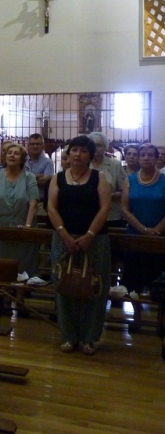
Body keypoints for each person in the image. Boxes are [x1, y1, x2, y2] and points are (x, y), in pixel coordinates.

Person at [47, 135, 111, 356]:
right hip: (64, 240)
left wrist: (90, 235)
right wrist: (64, 234)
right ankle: (69, 336)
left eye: (83, 151)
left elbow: (105, 208)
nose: (78, 154)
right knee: (64, 285)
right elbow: (51, 208)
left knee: (94, 287)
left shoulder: (98, 177)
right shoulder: (58, 178)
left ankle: (90, 338)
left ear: (90, 155)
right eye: (74, 150)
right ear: (68, 153)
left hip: (95, 241)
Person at [0, 143, 40, 277]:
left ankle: (19, 295)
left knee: (22, 269)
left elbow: (33, 203)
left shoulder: (29, 177)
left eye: (16, 153)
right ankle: (0, 295)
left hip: (22, 231)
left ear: (22, 159)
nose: (12, 155)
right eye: (9, 153)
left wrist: (27, 225)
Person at [120, 143, 165, 294]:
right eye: (143, 155)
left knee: (158, 280)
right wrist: (143, 229)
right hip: (135, 235)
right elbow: (125, 209)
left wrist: (156, 231)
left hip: (159, 237)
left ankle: (157, 315)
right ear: (138, 159)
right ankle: (137, 314)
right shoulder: (130, 180)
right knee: (133, 281)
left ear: (157, 159)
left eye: (150, 155)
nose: (146, 158)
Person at [88, 132, 127, 227]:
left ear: (105, 147)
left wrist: (110, 196)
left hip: (111, 214)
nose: (96, 148)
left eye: (99, 145)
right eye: (93, 145)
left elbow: (125, 191)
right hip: (88, 214)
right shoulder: (84, 164)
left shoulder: (115, 165)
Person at [25, 133, 55, 206]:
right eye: (32, 144)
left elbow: (45, 181)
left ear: (43, 146)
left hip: (40, 202)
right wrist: (37, 176)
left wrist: (25, 178)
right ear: (28, 146)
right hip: (22, 201)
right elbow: (16, 179)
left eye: (38, 144)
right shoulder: (22, 161)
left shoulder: (48, 162)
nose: (35, 146)